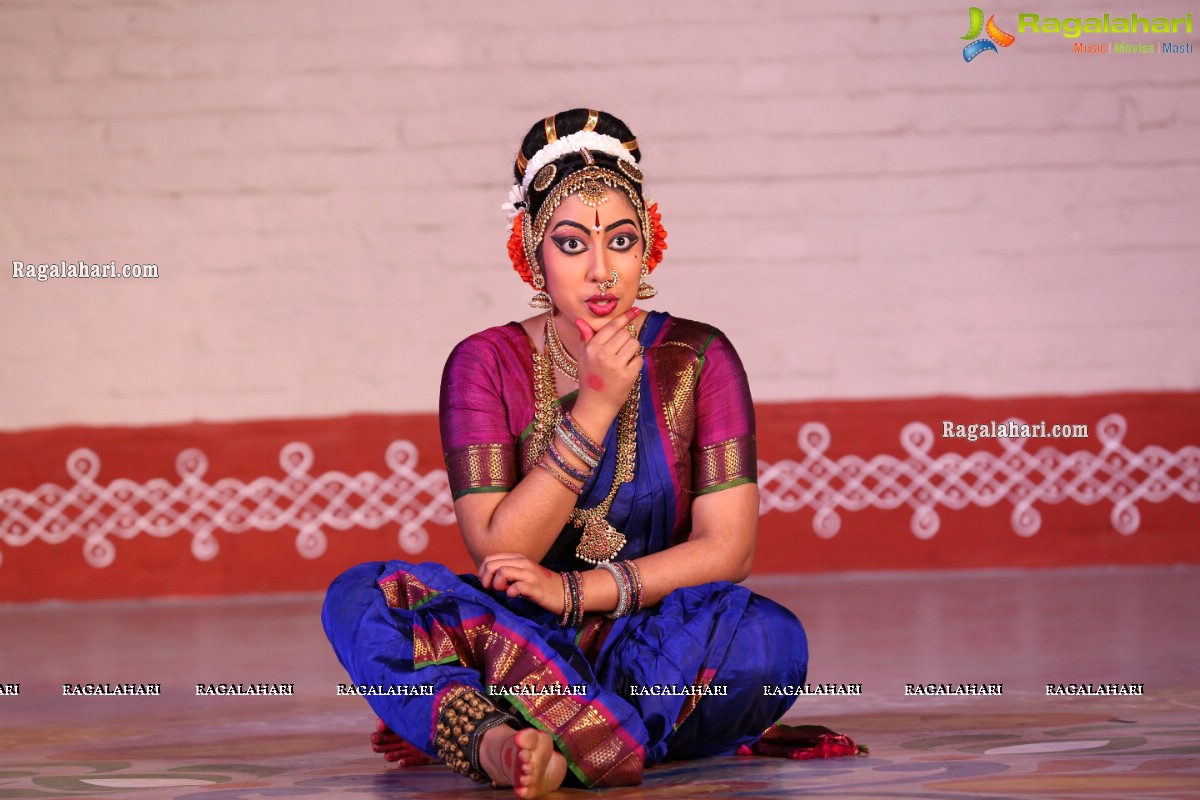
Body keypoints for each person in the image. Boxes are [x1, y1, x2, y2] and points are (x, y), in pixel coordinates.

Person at [322, 108, 814, 798]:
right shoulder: (483, 364)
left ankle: (550, 734)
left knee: (771, 643)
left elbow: (728, 549)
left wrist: (575, 592)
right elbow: (497, 545)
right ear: (530, 250)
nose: (603, 270)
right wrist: (596, 406)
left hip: (651, 643)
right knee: (362, 599)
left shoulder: (700, 357)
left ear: (651, 241)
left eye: (621, 238)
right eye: (573, 243)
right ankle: (510, 745)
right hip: (516, 640)